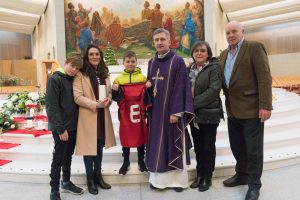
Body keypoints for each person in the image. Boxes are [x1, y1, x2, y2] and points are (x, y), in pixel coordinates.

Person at [219, 21, 272, 200]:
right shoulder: (223, 54)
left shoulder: (254, 47)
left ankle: (254, 185)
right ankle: (241, 175)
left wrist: (265, 105)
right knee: (237, 146)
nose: (230, 35)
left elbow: (264, 77)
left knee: (253, 150)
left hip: (251, 109)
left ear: (242, 32)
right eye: (227, 33)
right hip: (232, 110)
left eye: (234, 31)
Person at [146, 28, 194, 192]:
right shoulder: (151, 62)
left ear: (169, 41)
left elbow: (181, 87)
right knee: (156, 145)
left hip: (171, 113)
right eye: (156, 40)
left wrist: (176, 112)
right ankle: (158, 181)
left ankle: (178, 182)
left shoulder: (177, 61)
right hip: (155, 113)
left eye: (162, 39)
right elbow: (149, 86)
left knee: (172, 143)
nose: (159, 43)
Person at [73, 44, 116, 195]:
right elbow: (77, 97)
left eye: (97, 54)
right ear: (87, 56)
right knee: (88, 149)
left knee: (98, 147)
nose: (94, 57)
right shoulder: (80, 74)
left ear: (100, 56)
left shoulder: (104, 74)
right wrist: (95, 104)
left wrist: (108, 101)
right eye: (91, 54)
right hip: (88, 115)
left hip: (102, 116)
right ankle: (90, 179)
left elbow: (109, 93)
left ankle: (98, 176)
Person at [46, 52, 84, 200]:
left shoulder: (73, 79)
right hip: (61, 128)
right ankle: (54, 190)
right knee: (59, 158)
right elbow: (52, 106)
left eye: (77, 68)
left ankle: (66, 182)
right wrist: (60, 128)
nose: (74, 69)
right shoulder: (55, 79)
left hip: (73, 126)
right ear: (66, 62)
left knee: (68, 156)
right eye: (72, 65)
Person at [188, 41, 223, 192]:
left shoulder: (214, 68)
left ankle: (207, 177)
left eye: (202, 50)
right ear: (193, 54)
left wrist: (191, 104)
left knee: (208, 147)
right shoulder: (189, 68)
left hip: (209, 114)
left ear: (208, 53)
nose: (199, 53)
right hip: (194, 116)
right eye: (196, 51)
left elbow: (213, 91)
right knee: (198, 147)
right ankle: (199, 174)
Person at [111, 51, 151, 175]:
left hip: (139, 112)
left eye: (132, 61)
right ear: (123, 63)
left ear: (136, 62)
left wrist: (148, 86)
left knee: (140, 134)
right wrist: (115, 90)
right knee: (125, 135)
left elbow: (147, 95)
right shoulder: (118, 79)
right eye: (127, 61)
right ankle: (126, 161)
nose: (130, 64)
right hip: (125, 112)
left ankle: (141, 160)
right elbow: (115, 97)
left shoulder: (142, 78)